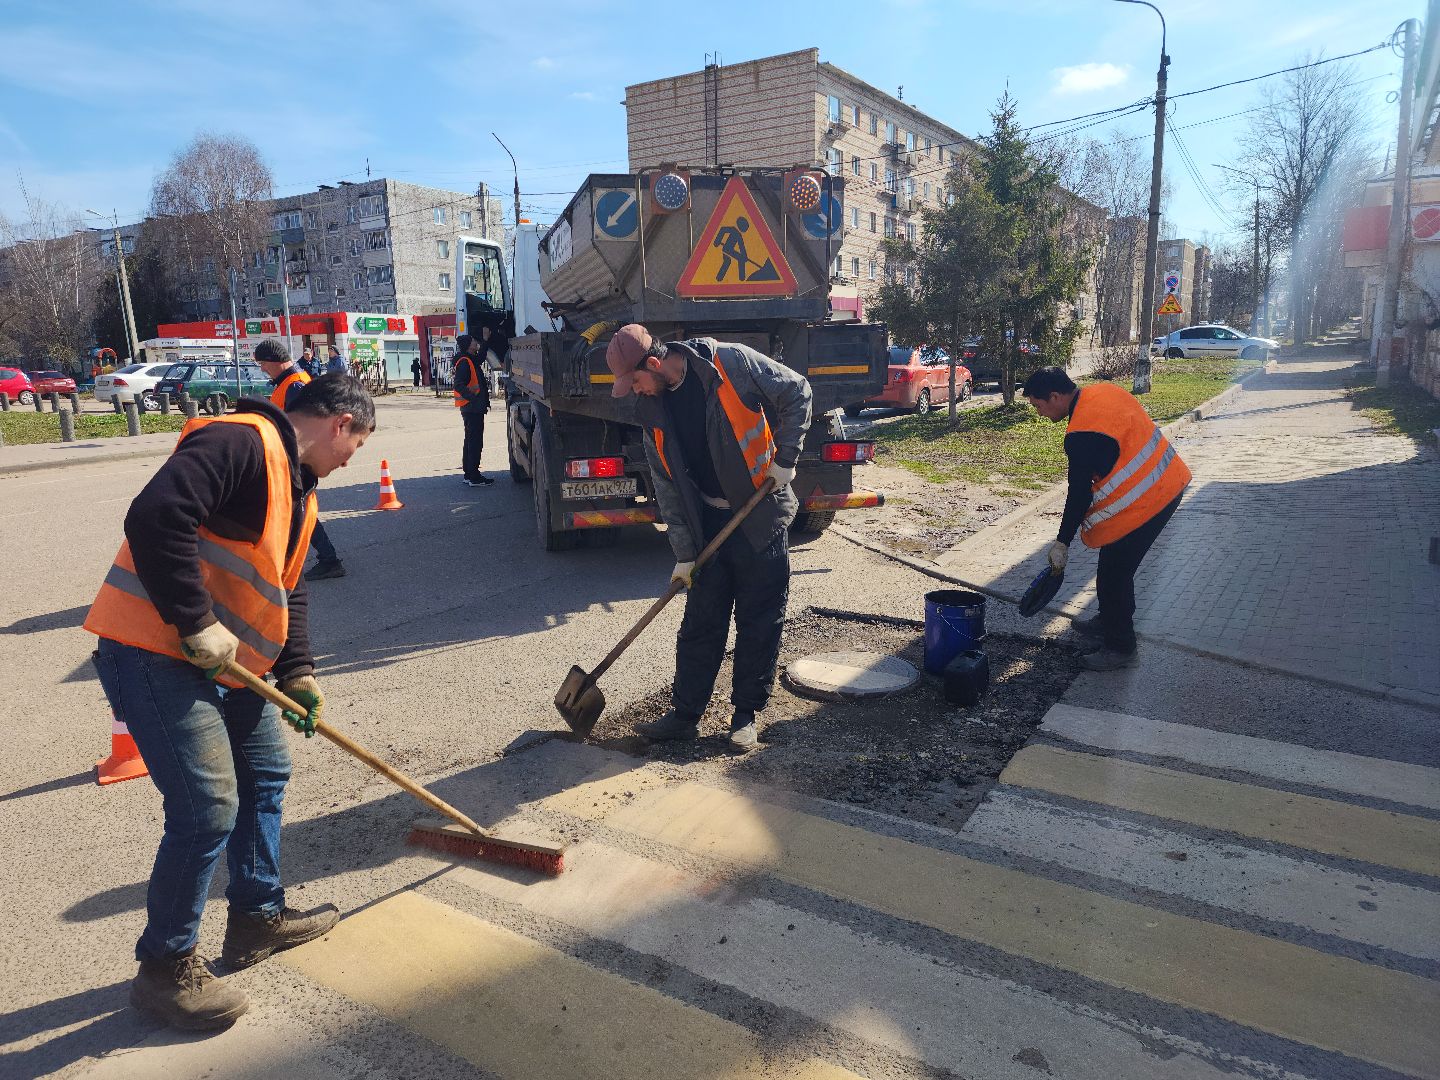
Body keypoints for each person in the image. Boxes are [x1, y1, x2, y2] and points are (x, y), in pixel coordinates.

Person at [83, 376, 375, 1031]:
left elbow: (288, 588)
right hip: (155, 650)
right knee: (206, 805)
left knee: (266, 770)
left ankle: (255, 918)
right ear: (339, 422)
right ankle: (165, 969)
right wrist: (193, 620)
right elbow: (156, 515)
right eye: (357, 443)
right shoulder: (241, 442)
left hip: (232, 665)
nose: (354, 458)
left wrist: (299, 671)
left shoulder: (302, 490)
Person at [607, 324, 811, 750]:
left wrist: (787, 458)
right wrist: (684, 553)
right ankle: (684, 716)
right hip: (708, 526)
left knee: (759, 620)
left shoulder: (730, 363)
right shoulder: (653, 412)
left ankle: (745, 715)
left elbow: (797, 391)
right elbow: (666, 488)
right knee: (701, 622)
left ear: (655, 364)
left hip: (760, 516)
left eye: (637, 382)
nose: (637, 391)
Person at [1022, 366, 1191, 671]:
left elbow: (1079, 494)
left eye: (1038, 405)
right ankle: (1109, 621)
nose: (1039, 413)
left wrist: (1062, 542)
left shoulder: (1081, 435)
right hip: (1168, 479)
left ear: (1056, 397)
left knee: (1115, 576)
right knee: (1112, 569)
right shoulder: (1103, 392)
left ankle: (1121, 648)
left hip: (1150, 501)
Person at [254, 341, 345, 580]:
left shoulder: (293, 385)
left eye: (263, 363)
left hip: (297, 460)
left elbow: (299, 430)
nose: (262, 368)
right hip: (299, 459)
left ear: (274, 361)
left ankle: (328, 559)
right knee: (296, 510)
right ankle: (319, 559)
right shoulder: (293, 381)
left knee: (299, 511)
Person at [453, 333, 492, 486]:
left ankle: (469, 474)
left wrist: (485, 340)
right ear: (469, 345)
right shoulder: (464, 362)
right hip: (472, 408)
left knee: (470, 441)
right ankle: (474, 476)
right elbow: (458, 384)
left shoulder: (469, 359)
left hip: (471, 408)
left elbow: (481, 357)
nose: (476, 342)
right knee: (475, 442)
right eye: (474, 340)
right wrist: (474, 398)